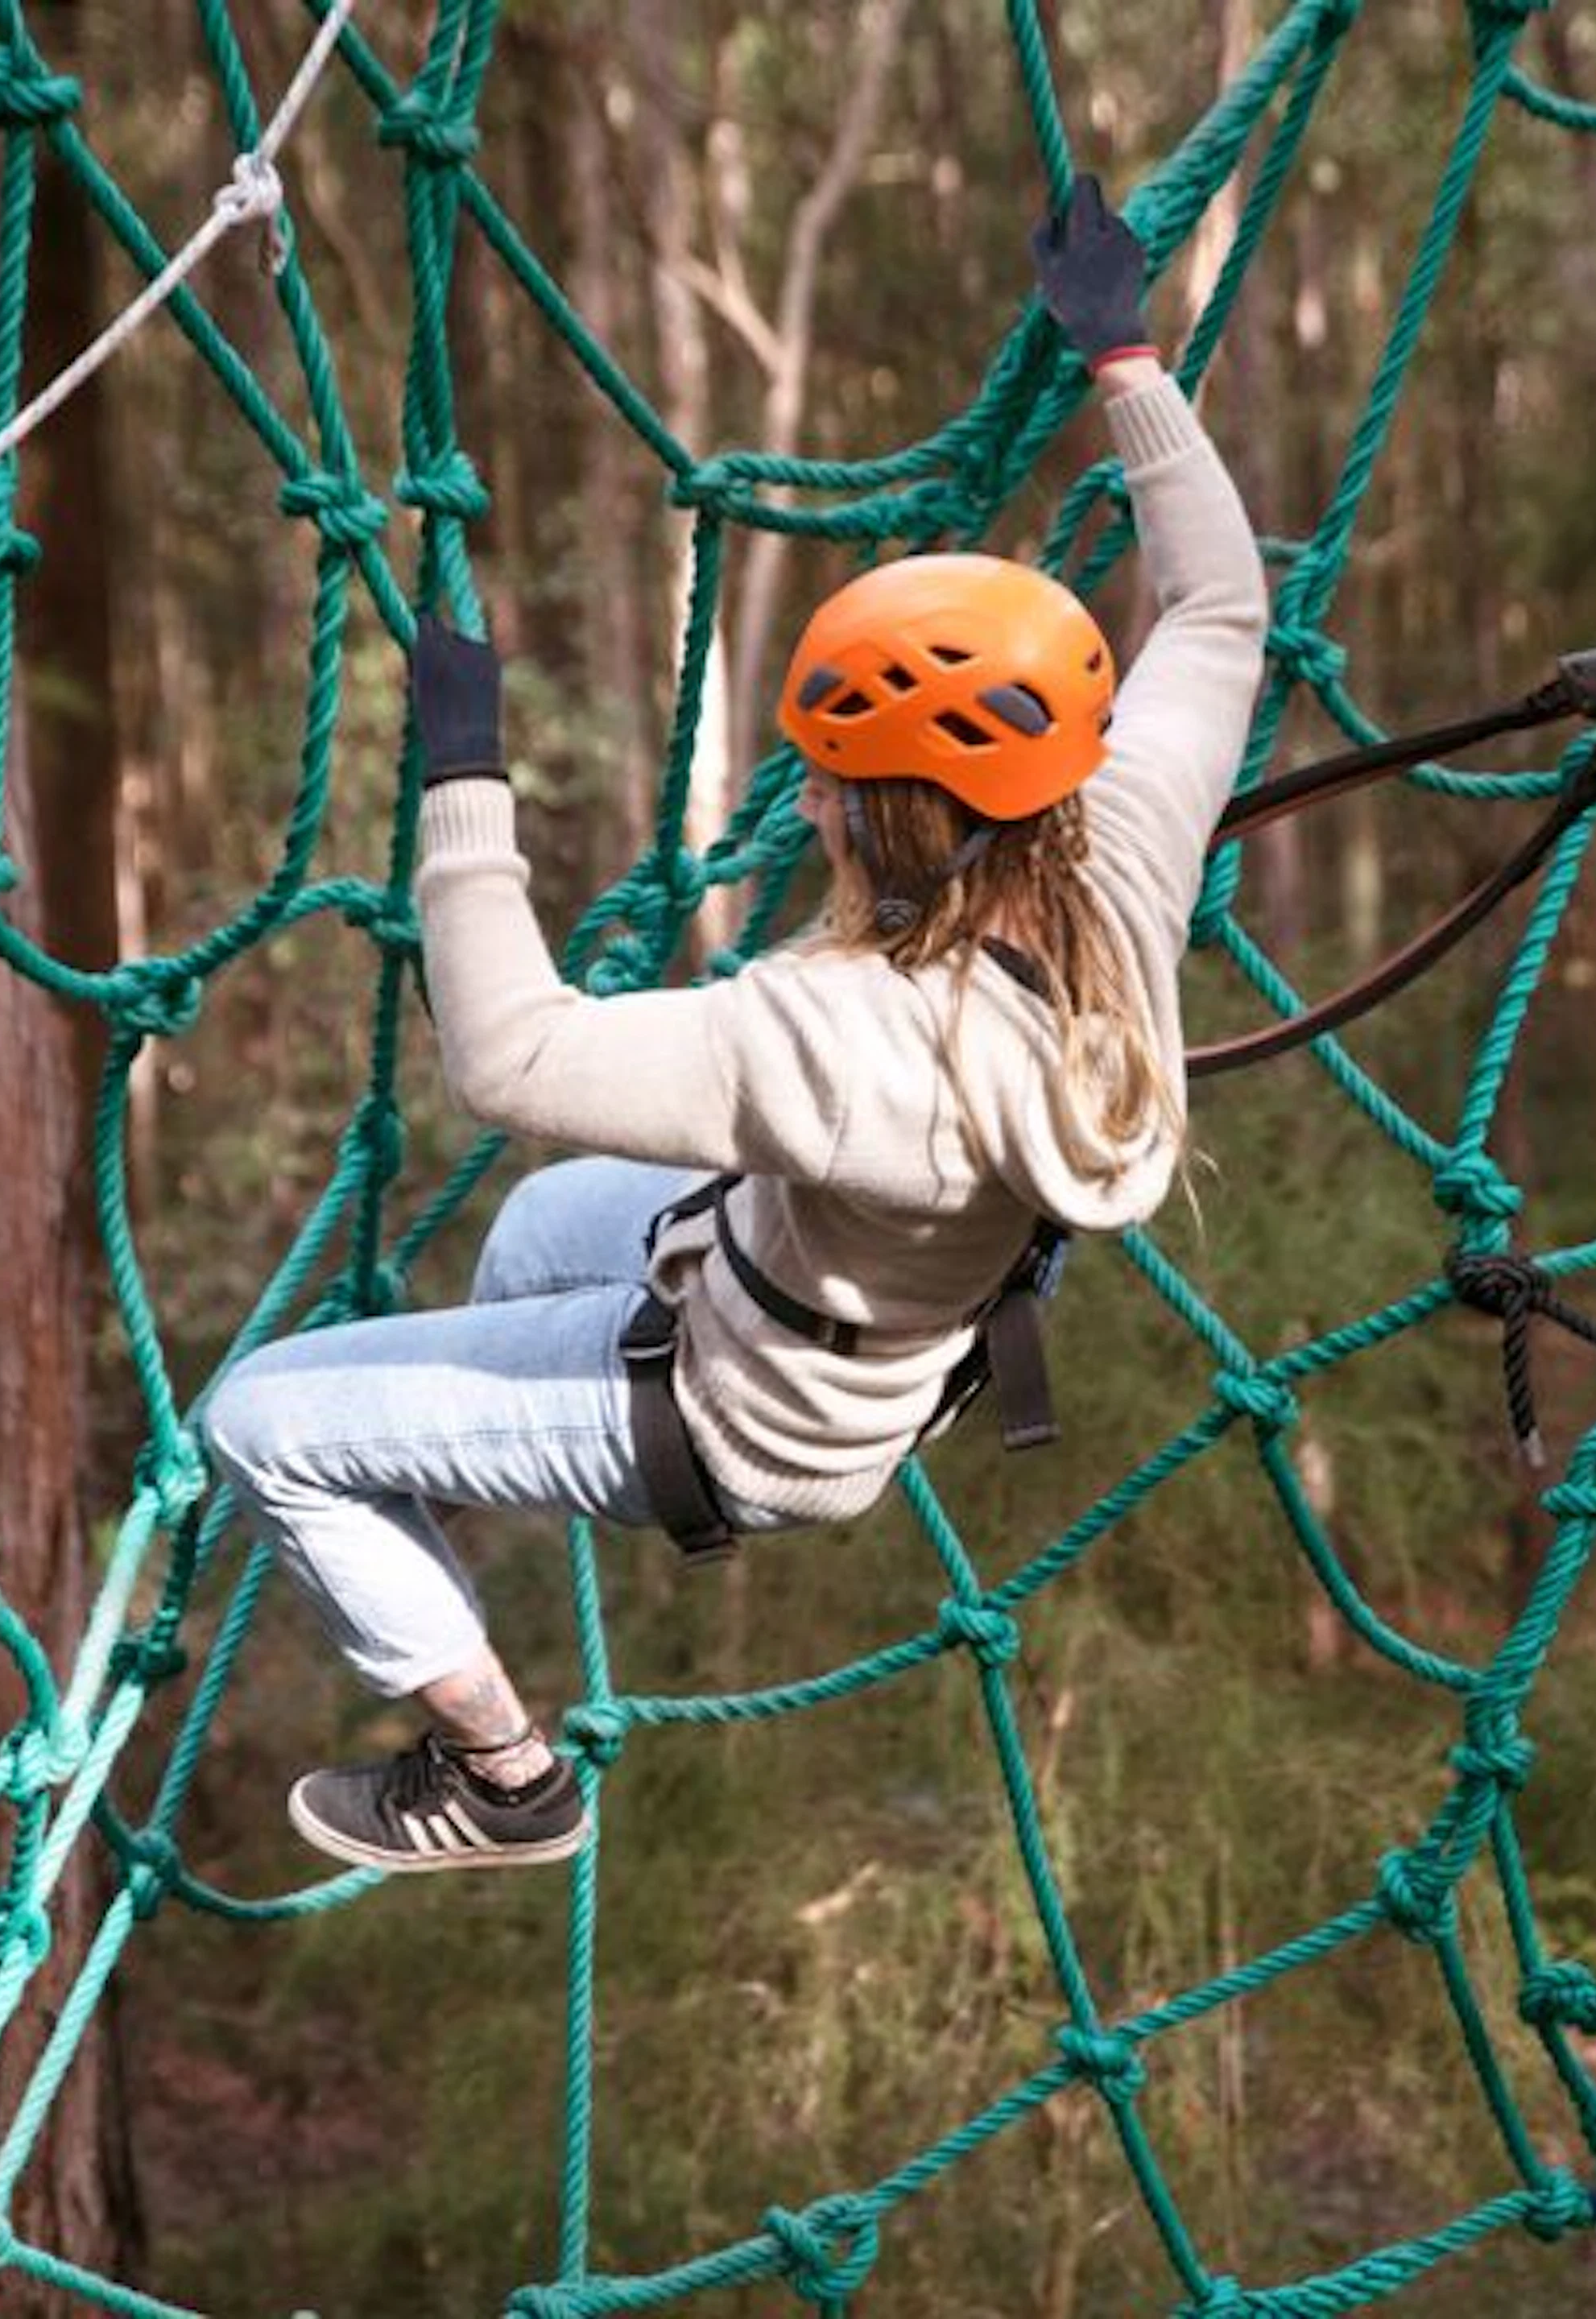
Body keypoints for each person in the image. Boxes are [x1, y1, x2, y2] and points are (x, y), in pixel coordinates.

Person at [200, 179, 1268, 1874]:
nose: (812, 806)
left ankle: (502, 1779)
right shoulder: (1118, 851)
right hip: (865, 1314)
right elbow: (1216, 611)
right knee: (543, 1228)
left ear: (888, 814)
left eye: (833, 783)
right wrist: (1124, 361)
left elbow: (510, 1057)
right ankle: (450, 1496)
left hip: (748, 1427)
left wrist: (461, 778)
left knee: (258, 1424)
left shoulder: (850, 1035)